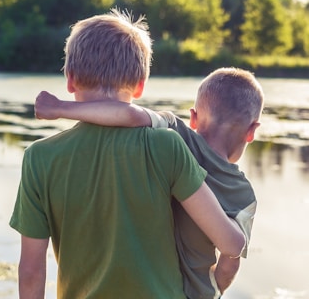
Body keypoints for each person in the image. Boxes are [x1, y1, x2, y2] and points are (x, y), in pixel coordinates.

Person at [10, 9, 245, 299]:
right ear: (140, 85)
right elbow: (230, 244)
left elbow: (32, 272)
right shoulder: (167, 146)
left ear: (70, 80)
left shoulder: (39, 158)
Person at [34, 67, 264, 298]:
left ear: (193, 118)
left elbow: (130, 115)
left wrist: (61, 108)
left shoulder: (177, 133)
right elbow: (230, 262)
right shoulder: (244, 195)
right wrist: (213, 288)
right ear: (252, 131)